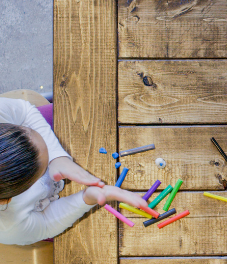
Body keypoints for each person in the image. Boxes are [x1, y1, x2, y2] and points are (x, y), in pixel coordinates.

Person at [0, 97, 149, 245]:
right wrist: (86, 198)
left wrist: (57, 157)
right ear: (5, 200)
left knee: (78, 112)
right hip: (43, 212)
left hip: (33, 127)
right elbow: (46, 224)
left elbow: (25, 112)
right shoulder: (10, 227)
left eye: (25, 131)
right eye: (43, 168)